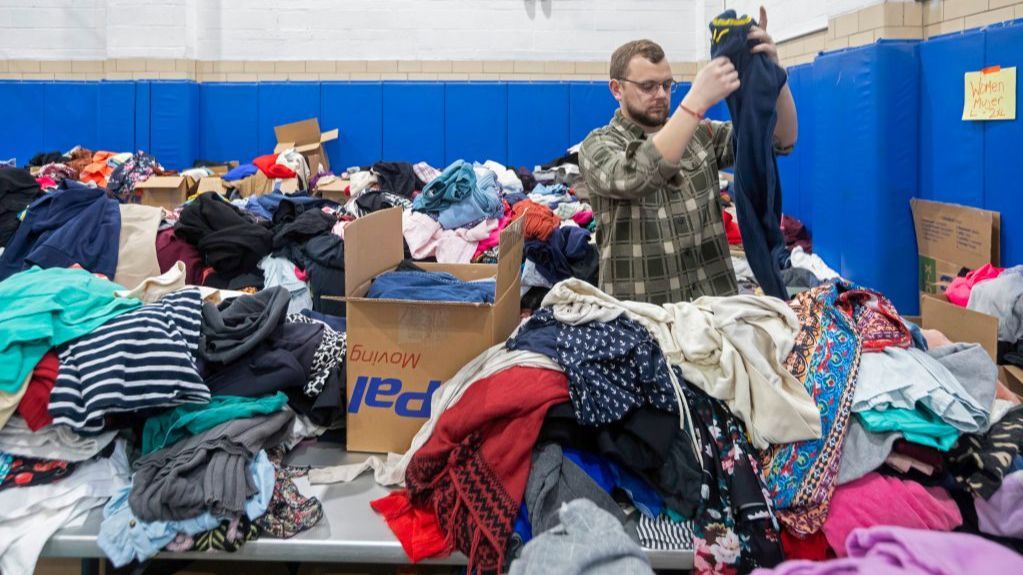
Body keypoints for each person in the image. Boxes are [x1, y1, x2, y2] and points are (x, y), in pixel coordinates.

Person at [579, 7, 797, 305]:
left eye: (667, 85)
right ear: (616, 89)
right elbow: (637, 175)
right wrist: (695, 100)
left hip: (714, 314)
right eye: (648, 86)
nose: (660, 94)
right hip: (643, 322)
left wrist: (776, 77)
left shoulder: (701, 134)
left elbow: (779, 140)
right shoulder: (597, 146)